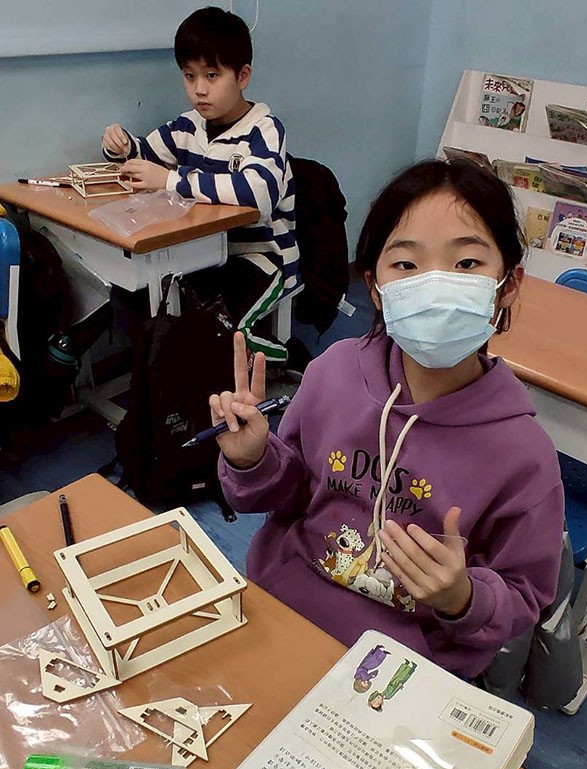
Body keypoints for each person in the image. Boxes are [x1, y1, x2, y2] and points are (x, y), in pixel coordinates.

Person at [210, 159, 565, 679]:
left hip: (406, 664)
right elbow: (287, 497)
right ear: (374, 287)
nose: (435, 286)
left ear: (507, 285)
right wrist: (254, 461)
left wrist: (462, 597)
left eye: (466, 263)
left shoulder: (524, 455)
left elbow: (524, 596)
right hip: (285, 611)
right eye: (406, 264)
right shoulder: (332, 373)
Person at [101, 6, 298, 365]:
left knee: (221, 333)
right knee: (173, 314)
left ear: (242, 76)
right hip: (206, 255)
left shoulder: (264, 129)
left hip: (262, 260)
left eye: (211, 75)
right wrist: (122, 146)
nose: (199, 90)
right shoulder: (188, 126)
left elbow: (258, 194)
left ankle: (286, 356)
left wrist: (171, 180)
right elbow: (146, 152)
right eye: (189, 76)